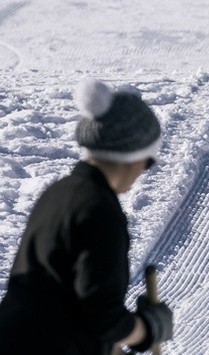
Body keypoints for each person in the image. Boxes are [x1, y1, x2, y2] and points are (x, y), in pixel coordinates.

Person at [0, 78, 174, 355]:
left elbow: (69, 298)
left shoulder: (57, 193)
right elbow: (101, 314)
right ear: (131, 156)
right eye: (148, 160)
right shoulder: (99, 210)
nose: (144, 170)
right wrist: (148, 328)